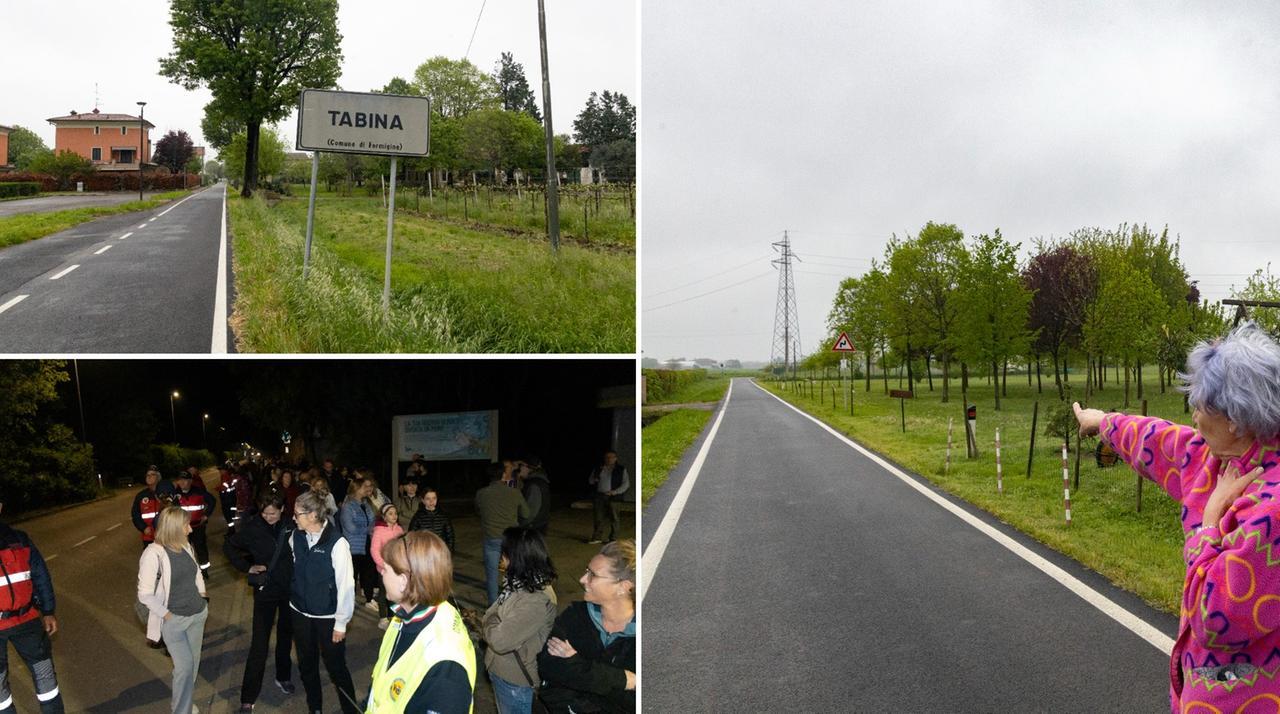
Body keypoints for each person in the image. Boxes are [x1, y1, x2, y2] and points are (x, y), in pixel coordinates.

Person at [1073, 323, 1280, 712]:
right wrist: (1102, 422)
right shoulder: (1214, 459)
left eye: (1200, 406)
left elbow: (1215, 617)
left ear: (1235, 419)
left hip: (1247, 700)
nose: (1194, 417)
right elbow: (1157, 439)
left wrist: (1209, 525)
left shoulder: (1272, 510)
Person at [367, 531, 475, 713]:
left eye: (385, 569)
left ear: (403, 581)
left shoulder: (446, 669)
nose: (381, 573)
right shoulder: (405, 616)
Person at [538, 540, 636, 714]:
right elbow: (548, 666)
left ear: (623, 587)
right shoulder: (575, 616)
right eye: (586, 571)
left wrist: (576, 666)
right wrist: (621, 679)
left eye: (593, 575)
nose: (582, 579)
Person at [288, 490, 358, 714]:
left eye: (297, 514)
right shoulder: (296, 536)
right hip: (300, 613)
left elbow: (346, 585)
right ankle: (315, 708)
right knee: (307, 666)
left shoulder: (337, 543)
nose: (293, 518)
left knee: (337, 669)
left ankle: (351, 710)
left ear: (312, 515)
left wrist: (341, 623)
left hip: (328, 618)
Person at [224, 494, 296, 712]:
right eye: (264, 513)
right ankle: (248, 697)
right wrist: (247, 567)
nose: (268, 517)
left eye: (272, 513)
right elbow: (229, 546)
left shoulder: (291, 525)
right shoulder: (253, 527)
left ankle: (283, 676)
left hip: (288, 590)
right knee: (259, 643)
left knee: (285, 636)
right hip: (265, 592)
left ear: (282, 509)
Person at [139, 506, 208, 714]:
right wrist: (167, 615)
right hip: (174, 621)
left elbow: (197, 573)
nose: (190, 529)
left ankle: (184, 703)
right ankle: (181, 710)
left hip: (197, 614)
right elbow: (144, 594)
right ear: (174, 528)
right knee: (184, 667)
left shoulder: (185, 545)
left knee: (192, 666)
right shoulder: (153, 554)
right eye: (186, 525)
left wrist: (203, 597)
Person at [482, 528, 557, 714]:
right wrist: (494, 621)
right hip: (504, 672)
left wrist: (490, 622)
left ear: (515, 557)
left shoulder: (535, 599)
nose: (501, 557)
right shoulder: (518, 584)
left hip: (515, 681)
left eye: (504, 553)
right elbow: (493, 616)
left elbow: (499, 640)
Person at [0, 499, 64, 714]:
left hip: (26, 621)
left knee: (46, 679)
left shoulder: (19, 539)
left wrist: (48, 611)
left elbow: (40, 575)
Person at [474, 465, 530, 605]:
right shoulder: (514, 492)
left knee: (492, 575)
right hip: (511, 539)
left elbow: (478, 511)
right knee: (514, 572)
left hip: (491, 538)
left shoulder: (481, 493)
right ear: (503, 475)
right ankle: (514, 602)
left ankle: (493, 605)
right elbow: (526, 514)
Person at [339, 477, 379, 607]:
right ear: (356, 489)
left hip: (367, 543)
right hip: (354, 546)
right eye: (364, 487)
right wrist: (368, 529)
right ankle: (349, 600)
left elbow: (373, 520)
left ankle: (369, 599)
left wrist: (370, 528)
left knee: (368, 572)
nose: (367, 489)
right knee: (352, 575)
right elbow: (350, 528)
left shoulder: (366, 504)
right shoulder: (348, 506)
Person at [173, 471, 216, 580]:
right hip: (182, 529)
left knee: (200, 548)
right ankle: (188, 571)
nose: (182, 482)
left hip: (198, 527)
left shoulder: (199, 491)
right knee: (184, 551)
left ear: (190, 481)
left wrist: (206, 515)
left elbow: (212, 501)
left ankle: (204, 570)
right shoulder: (174, 495)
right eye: (180, 480)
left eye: (185, 480)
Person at [369, 502, 404, 630]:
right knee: (384, 593)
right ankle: (383, 619)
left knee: (397, 592)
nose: (394, 516)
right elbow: (374, 550)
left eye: (395, 513)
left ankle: (394, 616)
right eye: (390, 514)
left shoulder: (399, 529)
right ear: (384, 517)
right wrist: (383, 565)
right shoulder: (379, 531)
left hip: (398, 568)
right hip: (384, 569)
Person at [587, 452, 629, 544]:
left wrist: (615, 492)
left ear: (615, 458)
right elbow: (590, 481)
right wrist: (595, 479)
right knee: (598, 517)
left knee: (614, 518)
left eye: (611, 457)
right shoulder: (598, 468)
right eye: (607, 457)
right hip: (599, 496)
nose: (609, 459)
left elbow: (626, 484)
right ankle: (597, 537)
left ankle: (613, 538)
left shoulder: (621, 469)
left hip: (614, 497)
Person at [409, 487, 456, 552]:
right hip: (424, 551)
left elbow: (450, 536)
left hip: (440, 550)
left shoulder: (444, 516)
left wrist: (449, 550)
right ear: (423, 500)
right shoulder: (418, 517)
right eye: (428, 499)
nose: (431, 501)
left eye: (434, 498)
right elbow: (411, 536)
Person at [132, 467, 168, 548]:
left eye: (152, 474)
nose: (149, 477)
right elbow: (135, 514)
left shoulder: (166, 493)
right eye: (147, 475)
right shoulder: (141, 496)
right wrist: (143, 528)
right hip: (148, 537)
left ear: (158, 477)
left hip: (165, 536)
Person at [520, 457, 551, 536]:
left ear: (529, 468)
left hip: (532, 528)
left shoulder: (534, 484)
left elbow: (531, 511)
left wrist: (520, 525)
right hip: (538, 526)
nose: (520, 468)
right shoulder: (540, 480)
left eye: (521, 466)